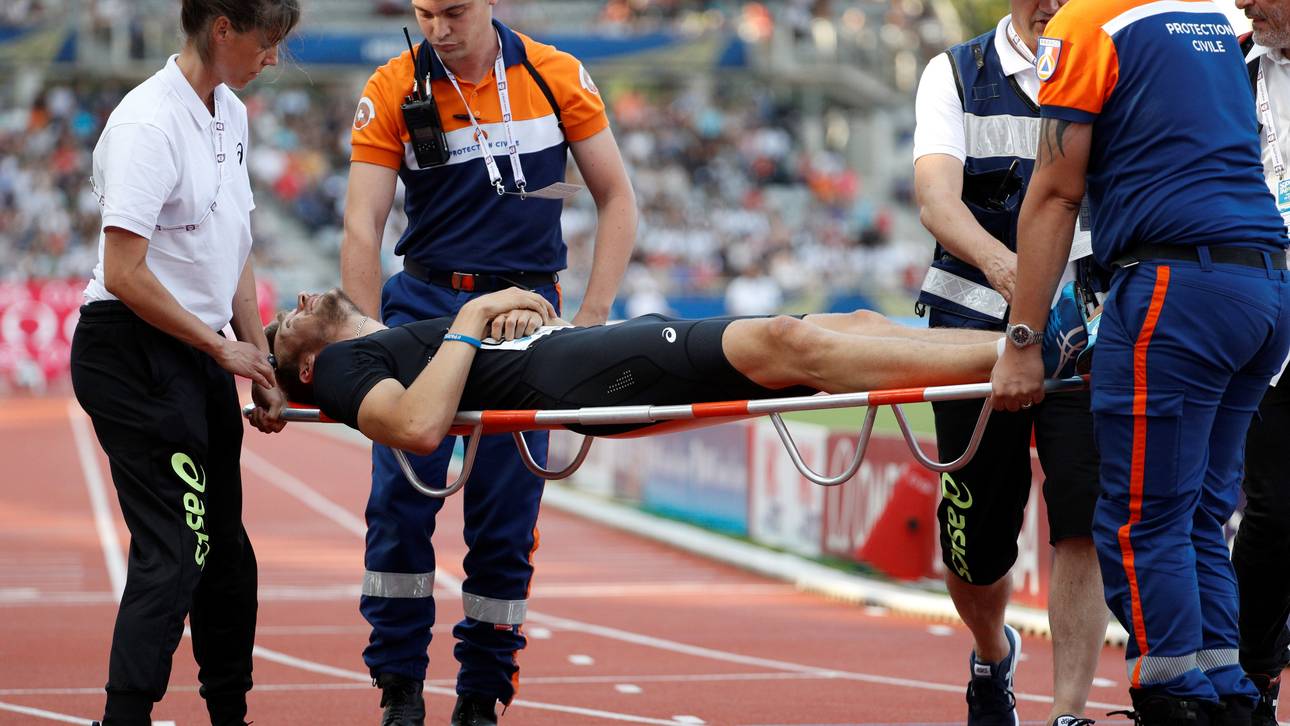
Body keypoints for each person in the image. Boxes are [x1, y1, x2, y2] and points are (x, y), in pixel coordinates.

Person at [991, 0, 1290, 723]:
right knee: (1199, 514)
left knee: (1138, 519)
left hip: (1176, 289)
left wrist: (1022, 341)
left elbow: (1056, 194)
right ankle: (1227, 692)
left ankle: (1173, 697)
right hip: (1265, 288)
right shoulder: (1210, 20)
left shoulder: (1087, 23)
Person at [339, 0, 637, 723]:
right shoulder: (390, 87)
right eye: (423, 13)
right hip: (424, 311)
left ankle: (482, 694)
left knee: (505, 518)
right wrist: (368, 338)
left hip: (526, 315)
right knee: (400, 506)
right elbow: (362, 222)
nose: (438, 28)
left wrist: (590, 320)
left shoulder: (557, 74)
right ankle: (399, 687)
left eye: (454, 11)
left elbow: (617, 198)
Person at [68, 1, 298, 724]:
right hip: (130, 349)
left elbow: (235, 247)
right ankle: (126, 715)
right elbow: (126, 270)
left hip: (196, 349)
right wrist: (217, 347)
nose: (275, 59)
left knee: (226, 551)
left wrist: (258, 363)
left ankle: (230, 711)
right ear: (222, 28)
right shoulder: (148, 123)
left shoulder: (229, 113)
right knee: (176, 548)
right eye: (268, 41)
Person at [912, 2, 1106, 723]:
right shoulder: (954, 73)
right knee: (975, 543)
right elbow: (936, 197)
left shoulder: (1109, 60)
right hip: (969, 325)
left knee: (1080, 523)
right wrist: (1010, 273)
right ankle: (993, 651)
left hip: (1084, 332)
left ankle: (1068, 710)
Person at [262, 287, 1057, 446]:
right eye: (282, 323)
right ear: (306, 368)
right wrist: (472, 319)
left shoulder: (395, 335)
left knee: (838, 324)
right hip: (585, 379)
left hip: (579, 350)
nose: (294, 299)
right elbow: (416, 425)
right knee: (789, 341)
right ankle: (1024, 350)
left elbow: (468, 360)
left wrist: (516, 310)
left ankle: (1026, 337)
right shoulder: (344, 372)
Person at [1233, 1, 1290, 723]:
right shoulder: (1227, 62)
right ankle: (1251, 678)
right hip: (1261, 315)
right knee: (1274, 509)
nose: (1243, 0)